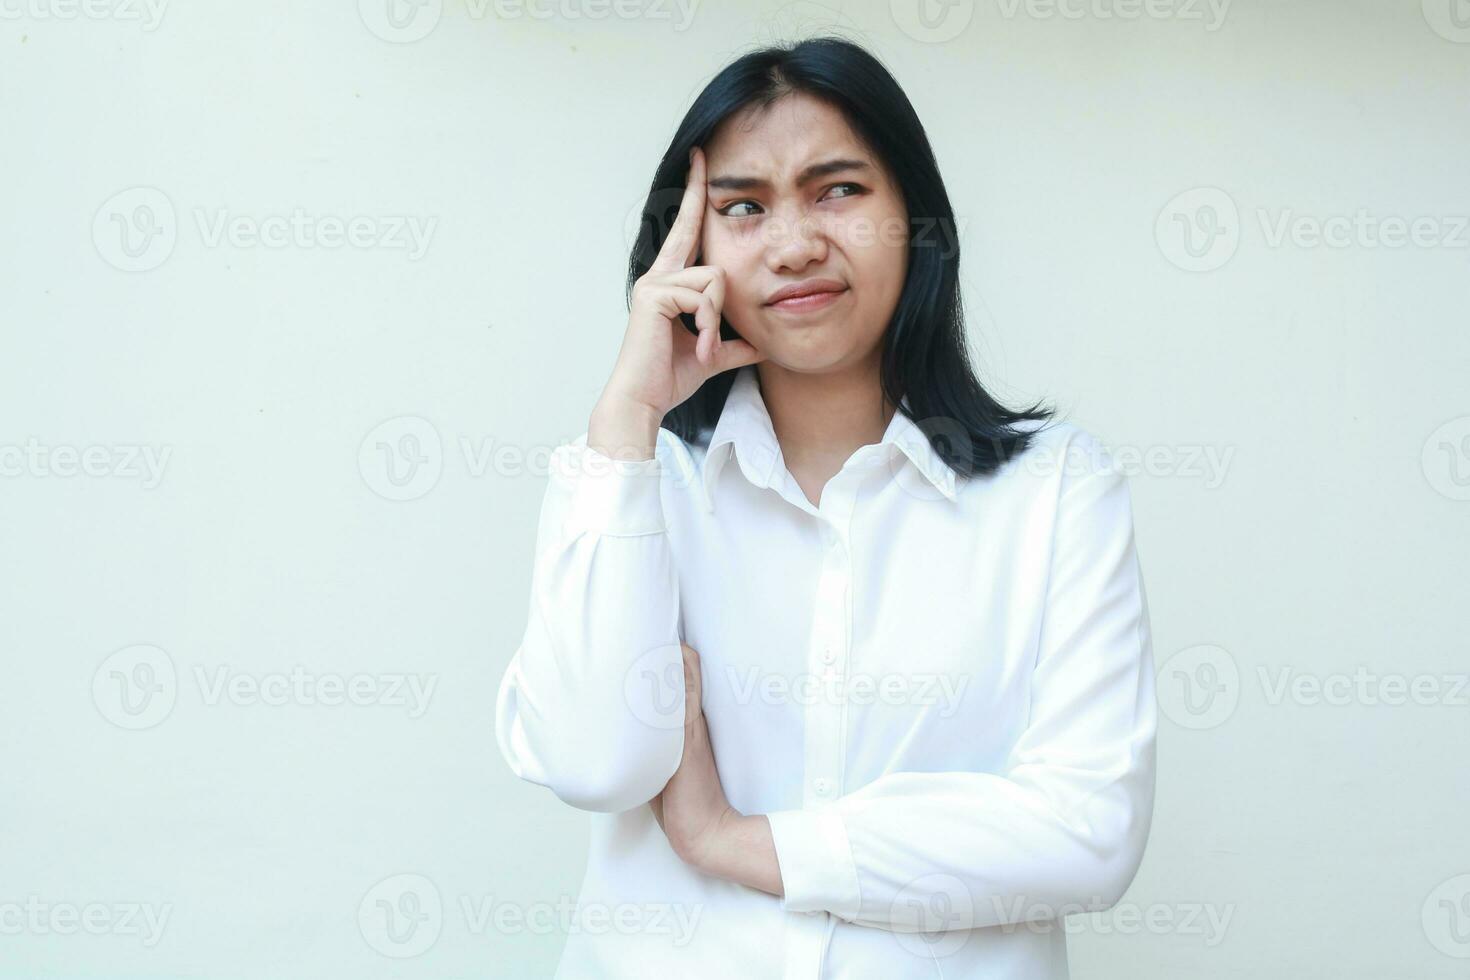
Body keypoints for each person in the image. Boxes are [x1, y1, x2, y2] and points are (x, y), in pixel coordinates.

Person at [495, 35, 1156, 980]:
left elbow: (1089, 834)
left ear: (914, 219)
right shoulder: (637, 484)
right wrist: (628, 418)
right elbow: (593, 762)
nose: (796, 242)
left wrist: (732, 839)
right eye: (744, 207)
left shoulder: (1056, 491)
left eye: (838, 190)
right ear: (688, 246)